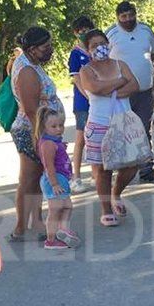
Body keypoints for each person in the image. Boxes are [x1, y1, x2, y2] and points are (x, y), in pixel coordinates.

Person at [78, 29, 141, 227]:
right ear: (87, 50)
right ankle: (106, 210)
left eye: (101, 43)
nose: (99, 48)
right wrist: (121, 81)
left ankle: (116, 193)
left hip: (124, 123)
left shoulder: (120, 64)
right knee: (103, 170)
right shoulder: (86, 70)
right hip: (99, 124)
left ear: (109, 43)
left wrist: (111, 88)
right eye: (93, 45)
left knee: (132, 164)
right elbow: (95, 88)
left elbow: (135, 86)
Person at [8, 27, 61, 241]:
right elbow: (31, 109)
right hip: (31, 130)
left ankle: (37, 222)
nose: (50, 50)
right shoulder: (27, 70)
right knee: (28, 179)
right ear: (32, 49)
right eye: (45, 47)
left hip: (38, 129)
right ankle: (20, 228)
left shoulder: (32, 64)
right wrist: (42, 137)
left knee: (37, 178)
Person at [106, 1, 154, 183]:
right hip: (120, 93)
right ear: (117, 17)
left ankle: (147, 170)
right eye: (123, 17)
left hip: (144, 91)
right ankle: (121, 171)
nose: (128, 19)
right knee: (120, 131)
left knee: (145, 130)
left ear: (136, 14)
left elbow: (153, 53)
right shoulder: (111, 34)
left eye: (131, 15)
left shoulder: (146, 31)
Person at [34, 106, 79, 250]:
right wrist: (54, 184)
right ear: (44, 127)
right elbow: (49, 166)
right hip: (54, 180)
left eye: (61, 125)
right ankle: (51, 240)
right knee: (55, 210)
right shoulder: (47, 144)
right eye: (54, 126)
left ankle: (63, 230)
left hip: (61, 179)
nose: (59, 129)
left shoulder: (55, 141)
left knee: (67, 206)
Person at [68, 16, 95, 192]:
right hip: (83, 102)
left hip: (99, 100)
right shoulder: (75, 54)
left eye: (86, 29)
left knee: (97, 139)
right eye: (80, 30)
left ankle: (96, 174)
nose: (83, 33)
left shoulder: (97, 50)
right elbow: (76, 79)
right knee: (81, 139)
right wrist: (89, 96)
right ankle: (76, 177)